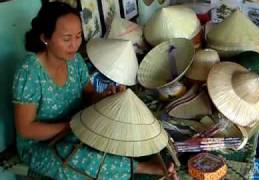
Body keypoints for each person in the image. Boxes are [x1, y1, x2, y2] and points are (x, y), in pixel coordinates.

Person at [12, 2, 177, 179]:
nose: (74, 45)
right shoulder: (29, 72)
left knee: (121, 136)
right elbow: (26, 129)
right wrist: (71, 126)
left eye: (78, 36)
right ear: (45, 38)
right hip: (40, 145)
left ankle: (147, 163)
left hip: (76, 130)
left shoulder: (75, 62)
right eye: (67, 39)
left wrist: (106, 97)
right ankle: (146, 168)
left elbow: (89, 95)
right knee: (87, 160)